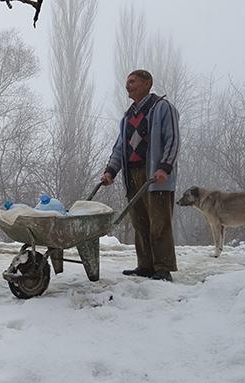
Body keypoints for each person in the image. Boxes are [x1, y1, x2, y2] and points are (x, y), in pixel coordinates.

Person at [101, 69, 180, 282]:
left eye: (133, 81)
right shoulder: (128, 117)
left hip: (155, 175)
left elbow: (172, 140)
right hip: (133, 174)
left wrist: (165, 167)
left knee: (159, 223)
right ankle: (145, 265)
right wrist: (110, 171)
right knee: (140, 222)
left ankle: (163, 268)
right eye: (127, 82)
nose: (128, 85)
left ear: (147, 83)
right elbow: (120, 147)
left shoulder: (162, 108)